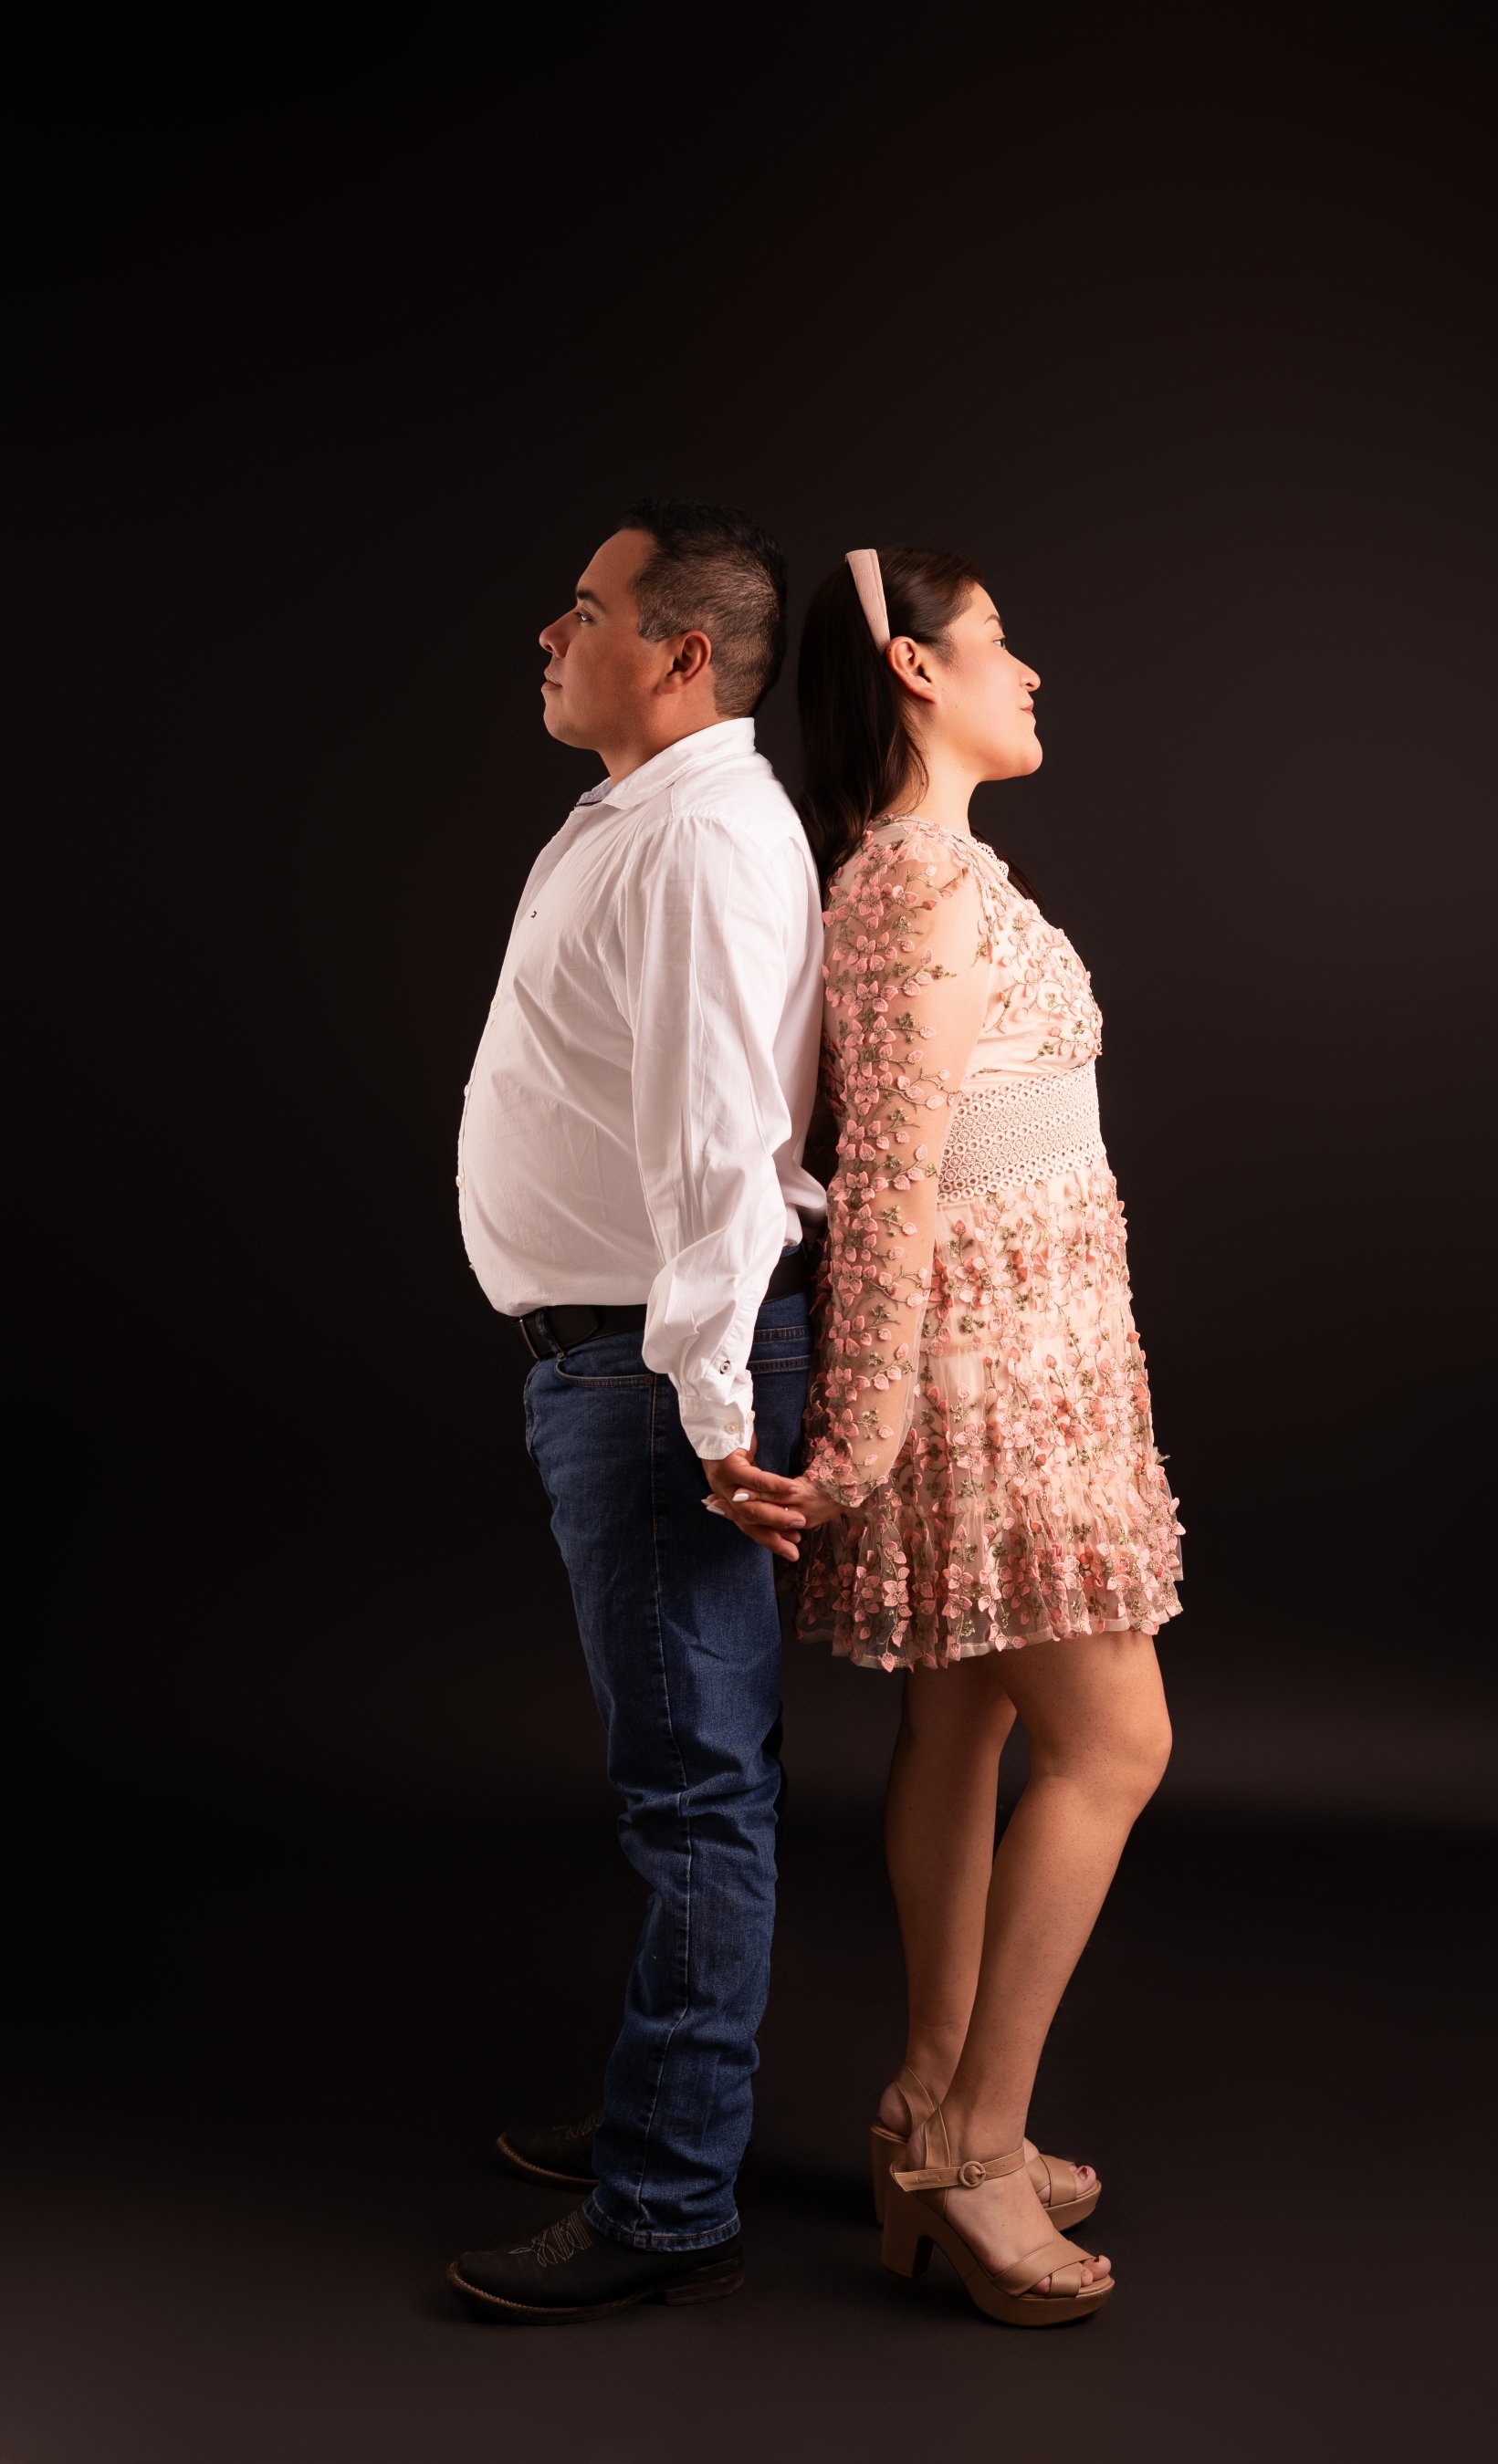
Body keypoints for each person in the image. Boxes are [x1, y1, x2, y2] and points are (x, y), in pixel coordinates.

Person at [718, 545, 1183, 2326]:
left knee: (972, 1713)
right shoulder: (910, 886)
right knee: (1115, 1742)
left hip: (1043, 1354)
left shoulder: (936, 871)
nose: (1032, 671)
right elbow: (892, 1187)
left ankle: (926, 2097)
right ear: (918, 669)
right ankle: (975, 2149)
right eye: (1000, 642)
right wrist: (855, 1439)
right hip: (990, 1378)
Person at [445, 500, 825, 2321]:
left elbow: (719, 1147)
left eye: (584, 610)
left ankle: (670, 2199)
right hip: (622, 1362)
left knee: (694, 1795)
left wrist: (709, 1406)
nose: (550, 631)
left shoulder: (694, 841)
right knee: (687, 1780)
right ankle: (656, 2118)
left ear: (679, 655)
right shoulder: (648, 815)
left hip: (659, 1375)